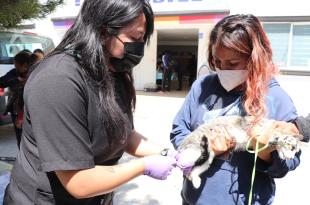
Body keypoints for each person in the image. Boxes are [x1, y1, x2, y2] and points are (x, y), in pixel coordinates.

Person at [4, 1, 177, 204]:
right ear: (103, 32)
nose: (138, 48)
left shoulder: (112, 71)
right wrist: (144, 166)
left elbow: (124, 135)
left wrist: (167, 153)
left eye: (141, 40)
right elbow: (79, 182)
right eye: (134, 38)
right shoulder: (58, 79)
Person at [170, 14, 302, 205]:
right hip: (193, 199)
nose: (223, 69)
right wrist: (204, 149)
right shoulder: (202, 86)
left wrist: (262, 148)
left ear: (255, 59)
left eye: (232, 64)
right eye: (216, 61)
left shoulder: (275, 98)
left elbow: (289, 162)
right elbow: (178, 131)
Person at [0, 50, 31, 148]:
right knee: (20, 137)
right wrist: (15, 80)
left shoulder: (34, 72)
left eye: (16, 63)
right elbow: (2, 82)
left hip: (31, 110)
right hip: (16, 110)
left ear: (24, 64)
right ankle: (23, 159)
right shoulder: (14, 73)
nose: (14, 65)